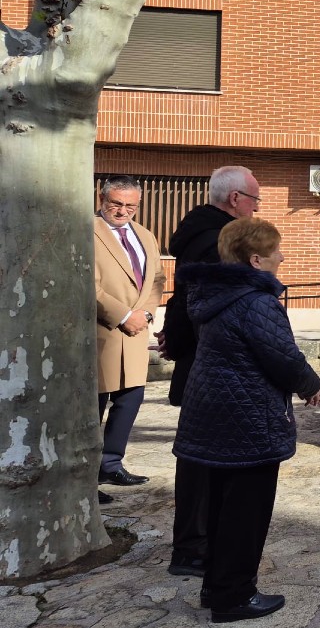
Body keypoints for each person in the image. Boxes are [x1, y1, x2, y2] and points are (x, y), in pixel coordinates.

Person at [173, 218, 320, 623]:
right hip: (247, 418)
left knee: (221, 506)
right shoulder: (257, 302)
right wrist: (311, 384)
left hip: (212, 413)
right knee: (246, 510)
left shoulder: (213, 294)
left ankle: (216, 586)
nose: (282, 257)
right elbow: (282, 357)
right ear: (256, 260)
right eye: (276, 251)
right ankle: (234, 596)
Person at [158, 166, 260, 578]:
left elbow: (185, 297)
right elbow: (218, 307)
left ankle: (196, 545)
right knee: (203, 459)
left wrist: (175, 335)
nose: (255, 209)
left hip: (201, 359)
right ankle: (194, 548)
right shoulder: (221, 239)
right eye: (254, 200)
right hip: (216, 364)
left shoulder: (198, 232)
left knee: (201, 454)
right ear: (235, 199)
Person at [93, 176, 166, 505]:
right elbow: (85, 283)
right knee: (92, 408)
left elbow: (157, 279)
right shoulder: (85, 231)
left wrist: (146, 314)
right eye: (117, 203)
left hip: (136, 332)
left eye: (131, 206)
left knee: (129, 400)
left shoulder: (146, 235)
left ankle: (110, 465)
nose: (123, 211)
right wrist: (123, 315)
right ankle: (85, 477)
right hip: (101, 332)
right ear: (102, 198)